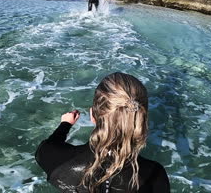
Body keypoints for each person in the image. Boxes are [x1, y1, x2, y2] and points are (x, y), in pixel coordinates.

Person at [35, 72, 170, 192]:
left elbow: (45, 149)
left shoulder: (60, 162)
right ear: (142, 120)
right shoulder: (154, 176)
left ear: (92, 115)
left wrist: (65, 125)